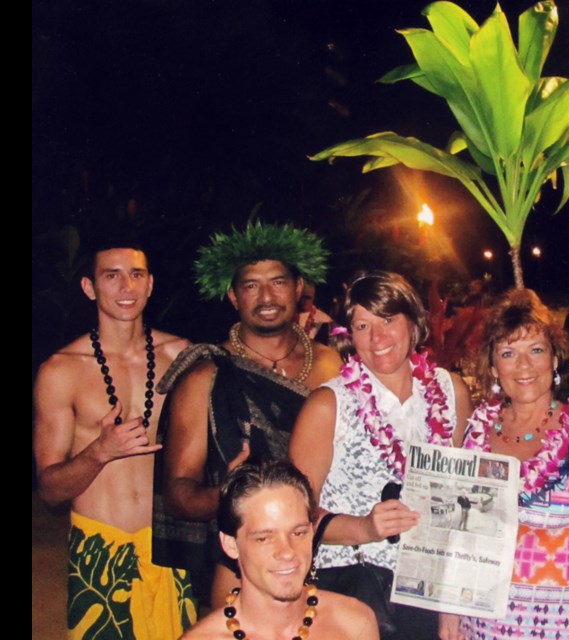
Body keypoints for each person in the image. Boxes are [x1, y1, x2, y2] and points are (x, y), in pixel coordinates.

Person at [153, 222, 343, 606]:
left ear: (299, 288)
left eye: (278, 282)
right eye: (251, 285)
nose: (267, 296)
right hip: (243, 566)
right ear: (232, 295)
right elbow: (177, 495)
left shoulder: (331, 364)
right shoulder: (206, 376)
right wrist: (228, 492)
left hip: (329, 549)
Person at [289, 270, 474, 639]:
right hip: (354, 590)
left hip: (430, 592)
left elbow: (464, 500)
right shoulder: (328, 405)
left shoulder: (450, 390)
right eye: (362, 325)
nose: (378, 338)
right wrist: (365, 528)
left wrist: (455, 600)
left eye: (388, 320)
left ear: (413, 322)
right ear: (348, 335)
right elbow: (295, 516)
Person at [443, 288, 569, 640]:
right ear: (492, 366)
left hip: (557, 627)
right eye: (508, 353)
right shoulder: (477, 433)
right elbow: (459, 533)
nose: (524, 366)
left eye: (536, 350)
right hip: (480, 623)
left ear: (555, 358)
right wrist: (449, 611)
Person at [33, 238, 196, 639]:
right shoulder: (61, 371)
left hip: (168, 549)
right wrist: (99, 452)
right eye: (112, 276)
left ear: (151, 284)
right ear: (90, 288)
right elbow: (50, 490)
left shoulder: (184, 356)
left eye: (136, 275)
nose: (127, 287)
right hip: (100, 555)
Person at [182, 459, 379, 640]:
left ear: (311, 532)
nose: (287, 552)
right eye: (264, 538)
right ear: (231, 544)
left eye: (298, 533)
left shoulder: (354, 624)